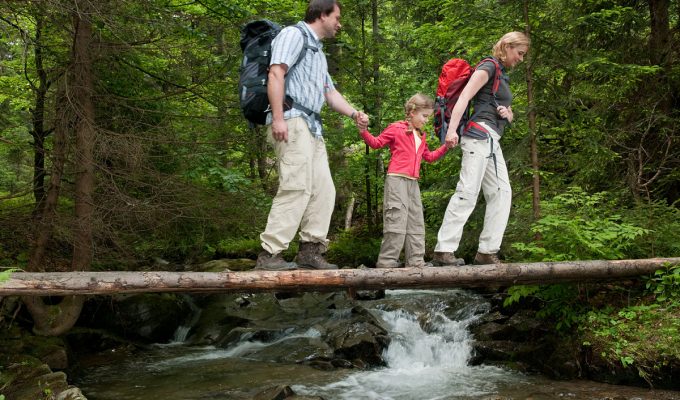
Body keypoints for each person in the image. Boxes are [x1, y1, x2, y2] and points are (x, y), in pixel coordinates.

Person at [256, 0, 369, 270]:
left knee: (324, 189)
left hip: (313, 127)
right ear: (321, 15)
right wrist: (279, 118)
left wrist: (354, 114)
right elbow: (276, 73)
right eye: (337, 17)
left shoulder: (317, 51)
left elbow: (329, 94)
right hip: (292, 120)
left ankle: (310, 250)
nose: (340, 24)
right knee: (296, 186)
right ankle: (269, 254)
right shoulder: (293, 35)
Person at [433, 32, 530, 266]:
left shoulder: (502, 74)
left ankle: (487, 251)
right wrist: (451, 131)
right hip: (477, 137)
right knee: (467, 191)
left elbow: (499, 105)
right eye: (519, 53)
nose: (521, 59)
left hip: (491, 139)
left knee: (502, 193)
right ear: (507, 46)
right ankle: (443, 250)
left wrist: (509, 114)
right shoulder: (488, 66)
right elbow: (465, 97)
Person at [359, 93, 448, 268]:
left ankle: (415, 261)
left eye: (428, 117)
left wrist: (446, 146)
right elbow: (376, 143)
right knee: (396, 220)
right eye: (424, 116)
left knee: (416, 221)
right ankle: (387, 262)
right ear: (412, 112)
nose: (426, 120)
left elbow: (428, 157)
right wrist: (363, 131)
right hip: (396, 180)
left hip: (413, 183)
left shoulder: (421, 135)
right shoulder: (396, 128)